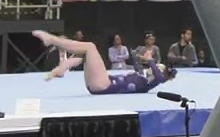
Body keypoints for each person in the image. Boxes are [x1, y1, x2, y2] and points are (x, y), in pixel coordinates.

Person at [35, 30, 173, 95]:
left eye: (156, 68)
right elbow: (136, 60)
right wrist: (143, 58)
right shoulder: (142, 76)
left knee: (90, 47)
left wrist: (151, 61)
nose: (152, 68)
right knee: (85, 55)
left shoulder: (149, 84)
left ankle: (53, 40)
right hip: (99, 84)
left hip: (103, 86)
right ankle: (61, 69)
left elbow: (161, 78)